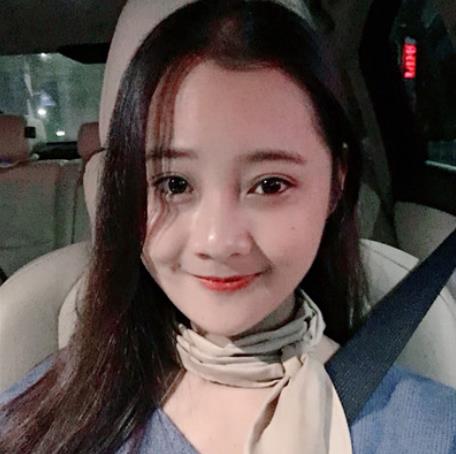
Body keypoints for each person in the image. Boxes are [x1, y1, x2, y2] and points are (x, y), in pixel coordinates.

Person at [1, 1, 455, 453]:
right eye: (174, 184)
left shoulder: (433, 431)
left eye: (271, 184)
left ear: (336, 183)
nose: (218, 241)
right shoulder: (37, 424)